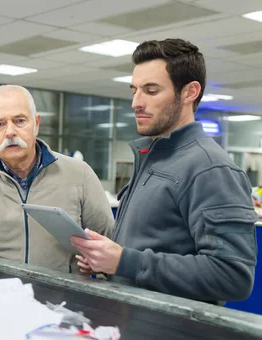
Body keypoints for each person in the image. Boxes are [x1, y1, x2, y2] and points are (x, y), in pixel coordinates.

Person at [71, 39, 257, 303]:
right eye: (134, 90)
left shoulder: (210, 168)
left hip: (179, 337)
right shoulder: (153, 157)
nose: (136, 102)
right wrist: (107, 263)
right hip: (135, 325)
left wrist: (126, 262)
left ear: (189, 92)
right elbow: (152, 248)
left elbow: (233, 276)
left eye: (151, 90)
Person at [0, 85, 114, 272]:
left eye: (19, 121)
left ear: (36, 123)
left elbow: (110, 238)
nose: (10, 132)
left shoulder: (79, 174)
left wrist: (98, 263)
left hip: (63, 295)